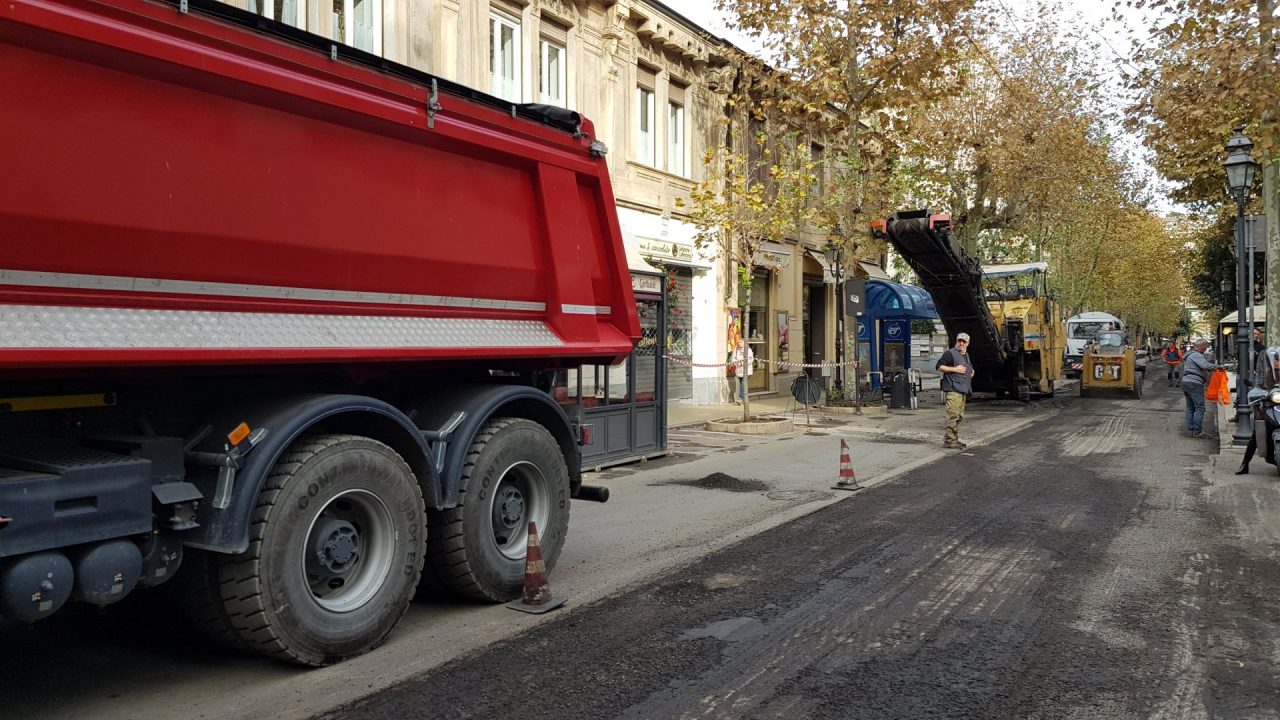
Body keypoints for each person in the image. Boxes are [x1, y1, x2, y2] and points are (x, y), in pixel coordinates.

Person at [1236, 346, 1280, 474]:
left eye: (1278, 360)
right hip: (1270, 405)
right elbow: (1260, 385)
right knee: (1257, 433)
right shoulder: (1268, 374)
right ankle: (1245, 464)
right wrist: (1258, 392)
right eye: (1275, 360)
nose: (1276, 362)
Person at [936, 332, 975, 449]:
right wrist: (955, 369)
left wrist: (971, 372)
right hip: (953, 390)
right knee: (952, 416)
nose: (961, 343)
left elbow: (967, 368)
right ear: (956, 341)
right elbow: (939, 367)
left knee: (959, 417)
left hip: (962, 390)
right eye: (959, 341)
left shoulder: (966, 355)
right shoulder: (949, 354)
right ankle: (949, 441)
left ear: (968, 343)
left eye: (964, 341)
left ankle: (954, 439)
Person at [1180, 338, 1217, 438]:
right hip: (1194, 383)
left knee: (1190, 407)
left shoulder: (1189, 355)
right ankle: (1197, 431)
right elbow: (1205, 365)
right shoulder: (1196, 355)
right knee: (1199, 407)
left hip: (1186, 382)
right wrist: (1219, 367)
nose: (1205, 349)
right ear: (1201, 346)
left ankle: (1191, 429)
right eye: (1205, 347)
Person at [731, 338, 755, 404]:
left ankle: (740, 398)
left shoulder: (748, 350)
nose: (740, 344)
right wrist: (736, 363)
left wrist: (742, 363)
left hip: (747, 371)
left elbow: (751, 359)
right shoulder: (736, 350)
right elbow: (733, 359)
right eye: (739, 342)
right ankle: (745, 399)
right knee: (743, 385)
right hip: (739, 371)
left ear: (744, 343)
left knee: (743, 384)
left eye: (741, 342)